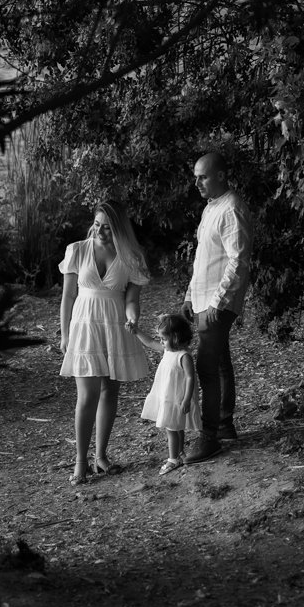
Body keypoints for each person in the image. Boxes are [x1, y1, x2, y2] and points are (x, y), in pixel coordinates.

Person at [58, 200, 151, 485]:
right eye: (97, 225)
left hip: (114, 326)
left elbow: (131, 299)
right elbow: (68, 297)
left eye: (108, 228)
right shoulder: (77, 250)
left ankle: (100, 456)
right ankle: (80, 461)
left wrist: (133, 319)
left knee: (110, 392)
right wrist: (64, 334)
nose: (100, 232)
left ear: (120, 228)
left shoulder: (132, 257)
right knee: (87, 395)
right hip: (85, 326)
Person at [181, 151, 253, 464]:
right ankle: (224, 425)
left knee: (206, 366)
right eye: (196, 176)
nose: (197, 182)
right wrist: (189, 295)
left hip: (217, 303)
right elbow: (205, 259)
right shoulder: (212, 207)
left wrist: (217, 301)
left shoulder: (232, 208)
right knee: (220, 364)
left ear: (221, 175)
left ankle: (208, 436)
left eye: (203, 176)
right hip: (203, 299)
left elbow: (239, 261)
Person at [130, 313, 199, 475]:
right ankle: (180, 453)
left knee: (171, 427)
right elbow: (149, 342)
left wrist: (187, 399)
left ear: (176, 337)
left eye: (164, 338)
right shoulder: (167, 349)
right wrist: (136, 330)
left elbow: (191, 378)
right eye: (160, 338)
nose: (161, 341)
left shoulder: (183, 356)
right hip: (167, 395)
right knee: (176, 425)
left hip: (177, 397)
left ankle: (172, 459)